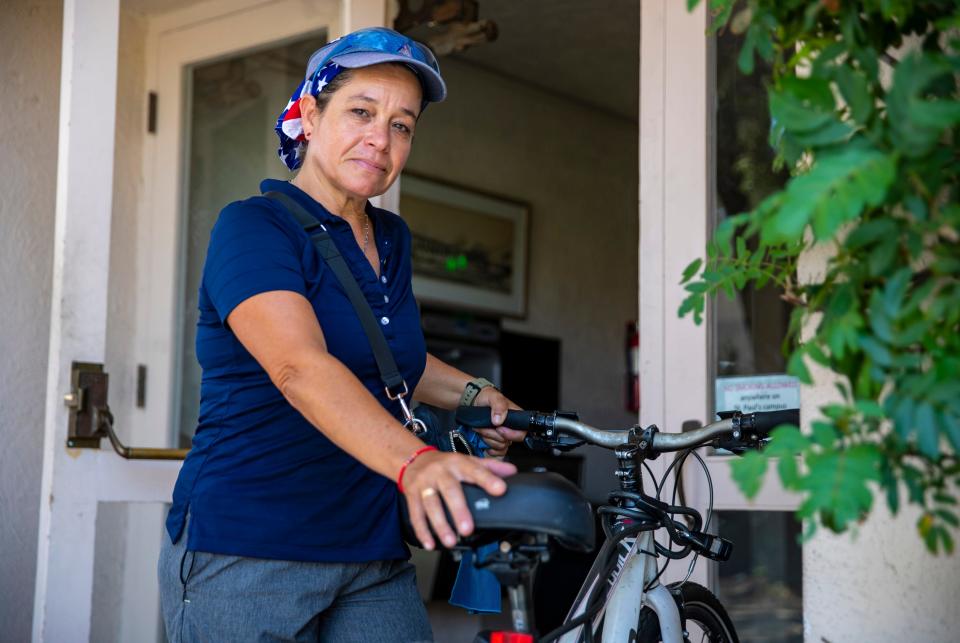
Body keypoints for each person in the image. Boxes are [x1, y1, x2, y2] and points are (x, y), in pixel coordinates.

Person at [158, 27, 525, 642]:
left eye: (402, 124)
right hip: (252, 549)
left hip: (370, 547)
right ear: (309, 113)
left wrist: (479, 396)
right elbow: (299, 366)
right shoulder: (255, 228)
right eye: (361, 111)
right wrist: (418, 462)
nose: (380, 139)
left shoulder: (391, 238)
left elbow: (392, 358)